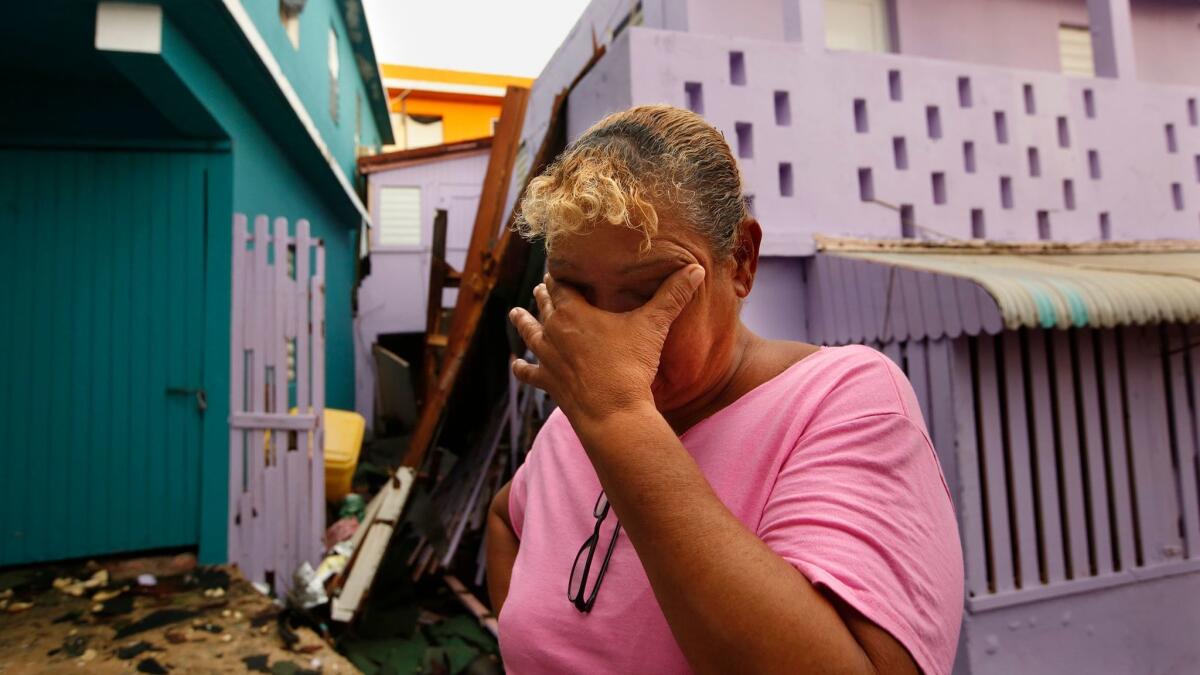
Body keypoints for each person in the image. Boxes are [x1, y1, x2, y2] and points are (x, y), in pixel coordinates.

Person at [485, 105, 963, 675]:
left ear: (740, 260)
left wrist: (620, 421)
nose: (605, 337)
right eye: (575, 291)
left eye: (647, 290)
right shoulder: (575, 418)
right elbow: (504, 518)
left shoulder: (840, 400)